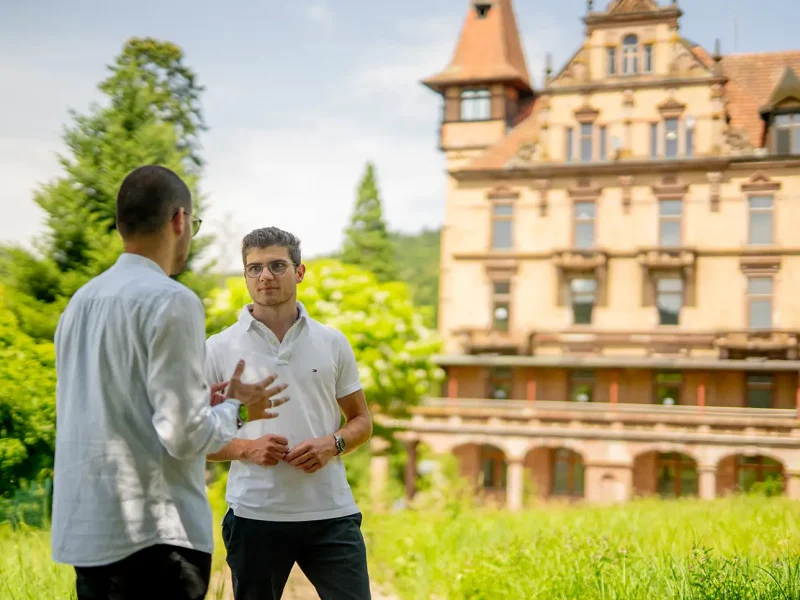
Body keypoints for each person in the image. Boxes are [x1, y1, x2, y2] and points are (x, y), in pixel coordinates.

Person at [50, 165, 290, 600]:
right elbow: (183, 436)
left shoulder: (79, 303)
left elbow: (110, 404)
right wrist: (238, 408)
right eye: (193, 225)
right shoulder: (171, 300)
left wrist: (203, 401)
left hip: (85, 534)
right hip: (156, 541)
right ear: (180, 221)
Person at [206, 226, 374, 600]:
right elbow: (194, 438)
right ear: (246, 275)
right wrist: (246, 449)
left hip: (332, 514)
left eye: (277, 265)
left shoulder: (332, 342)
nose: (265, 276)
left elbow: (362, 421)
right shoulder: (217, 348)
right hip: (254, 516)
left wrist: (333, 444)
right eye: (255, 268)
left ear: (299, 272)